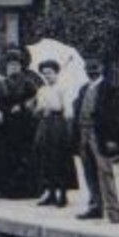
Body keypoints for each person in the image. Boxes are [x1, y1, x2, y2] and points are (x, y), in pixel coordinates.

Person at [72, 58, 119, 223]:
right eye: (88, 68)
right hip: (83, 133)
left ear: (101, 68)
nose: (91, 71)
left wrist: (112, 138)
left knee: (105, 172)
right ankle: (95, 207)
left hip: (100, 134)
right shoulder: (83, 89)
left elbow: (117, 117)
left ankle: (114, 211)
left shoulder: (111, 89)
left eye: (95, 68)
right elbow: (77, 112)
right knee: (89, 172)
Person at [0, 50, 41, 198]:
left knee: (23, 156)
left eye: (15, 64)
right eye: (9, 65)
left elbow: (36, 99)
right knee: (6, 156)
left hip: (23, 125)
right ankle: (6, 190)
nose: (12, 68)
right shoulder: (3, 83)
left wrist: (23, 106)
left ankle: (25, 190)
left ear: (20, 66)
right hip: (6, 125)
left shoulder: (28, 82)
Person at [32, 59, 79, 207]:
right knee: (45, 158)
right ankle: (50, 193)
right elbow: (38, 109)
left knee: (59, 159)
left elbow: (68, 111)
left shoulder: (63, 88)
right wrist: (39, 109)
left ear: (56, 73)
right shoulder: (42, 90)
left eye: (50, 73)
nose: (47, 76)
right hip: (44, 125)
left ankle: (63, 194)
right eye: (45, 73)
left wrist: (55, 110)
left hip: (58, 125)